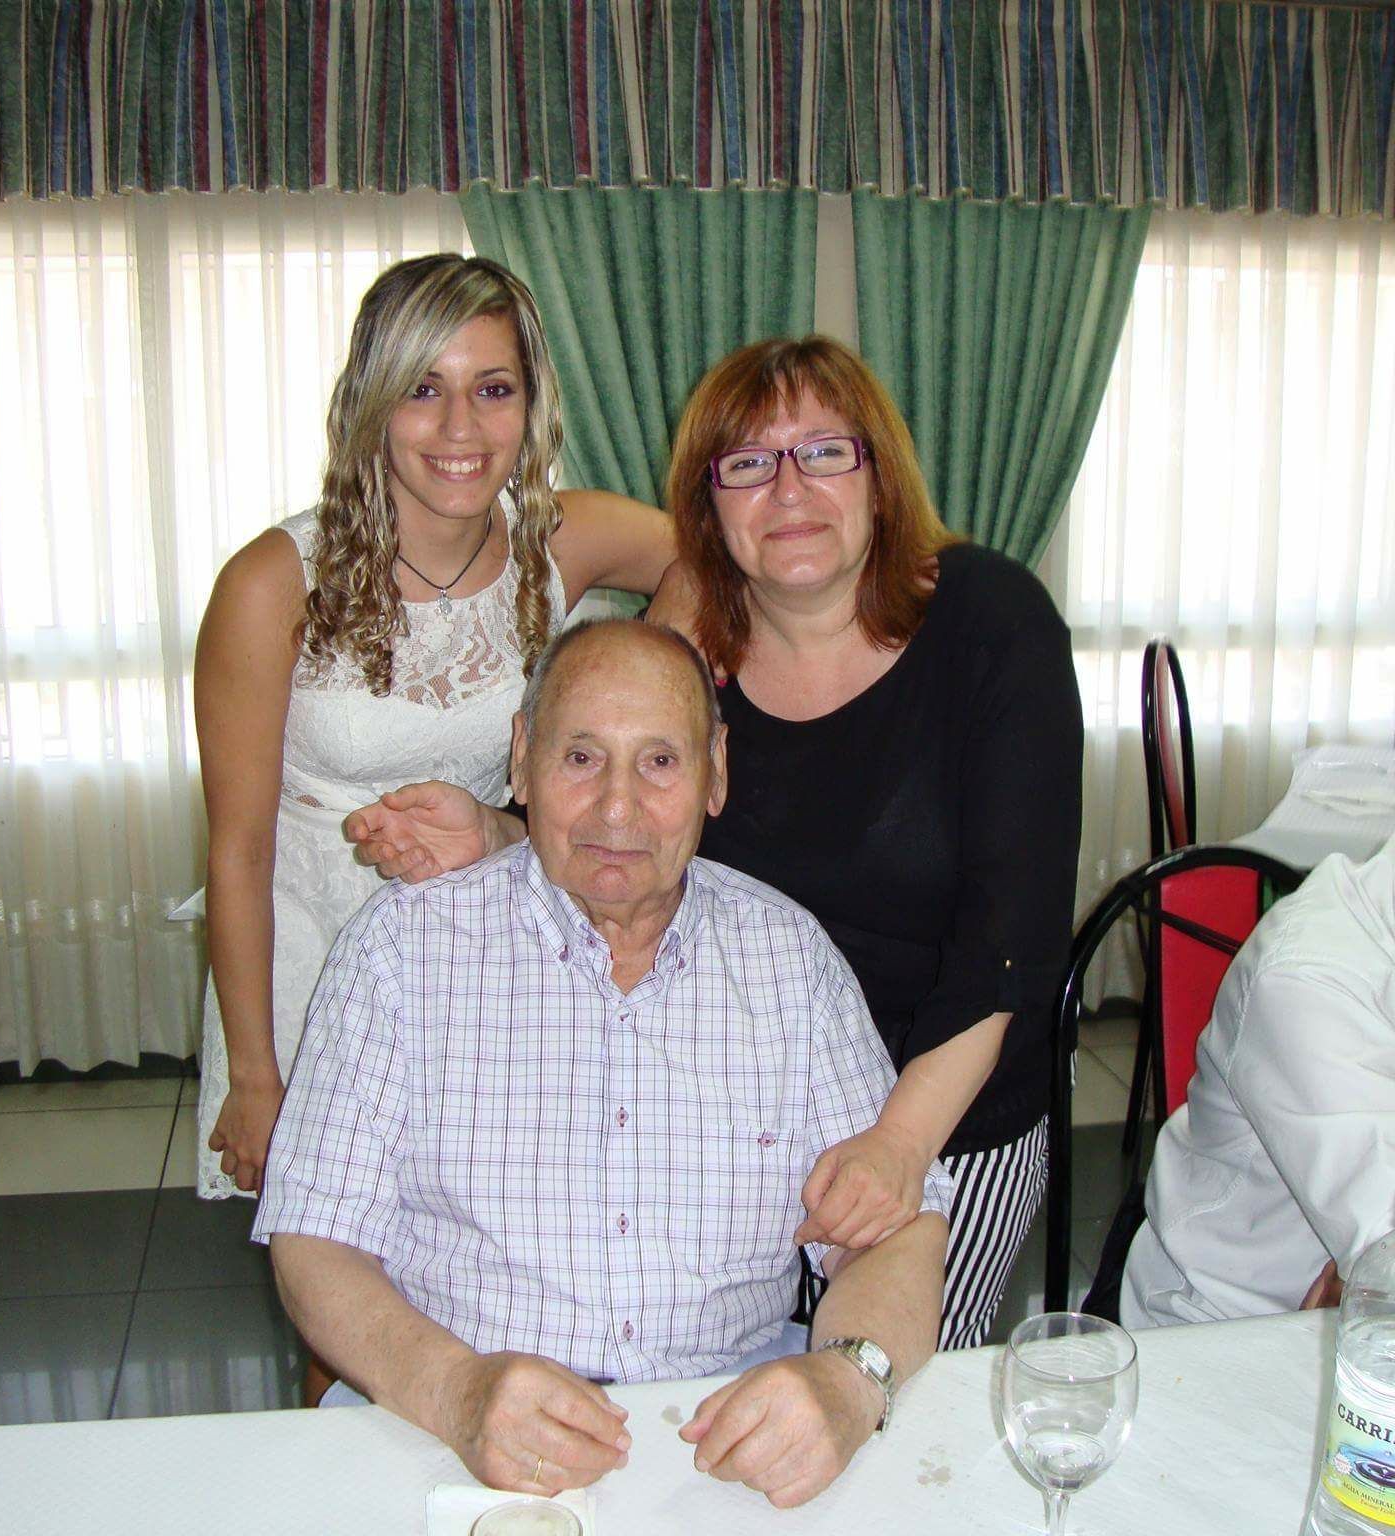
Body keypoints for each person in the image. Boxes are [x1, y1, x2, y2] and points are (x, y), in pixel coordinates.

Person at [348, 337, 1083, 1348]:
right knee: (716, 1369)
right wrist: (495, 828)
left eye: (825, 452)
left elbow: (1011, 936)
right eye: (747, 463)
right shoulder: (700, 646)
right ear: (708, 505)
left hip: (948, 1100)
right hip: (746, 1090)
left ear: (880, 474)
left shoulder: (990, 624)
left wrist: (897, 1145)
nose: (788, 489)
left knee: (878, 1394)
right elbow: (625, 811)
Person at [256, 620, 951, 1509]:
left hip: (727, 1432)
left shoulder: (790, 960)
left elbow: (895, 1230)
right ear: (520, 757)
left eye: (660, 762)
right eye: (581, 757)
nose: (617, 809)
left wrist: (849, 1382)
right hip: (445, 1428)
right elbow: (314, 1239)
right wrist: (454, 1391)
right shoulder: (400, 953)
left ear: (716, 773)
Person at [193, 251, 672, 1207]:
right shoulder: (273, 583)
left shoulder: (562, 542)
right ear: (373, 403)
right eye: (424, 389)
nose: (462, 429)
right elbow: (238, 853)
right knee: (337, 1294)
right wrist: (255, 1074)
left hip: (495, 956)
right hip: (315, 964)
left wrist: (636, 702)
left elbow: (722, 558)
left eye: (493, 389)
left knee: (501, 1261)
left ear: (531, 404)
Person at [1121, 833, 1395, 1330]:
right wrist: (1368, 1272)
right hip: (1228, 1325)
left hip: (1332, 1322)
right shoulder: (1307, 981)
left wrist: (1366, 1272)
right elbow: (1386, 1263)